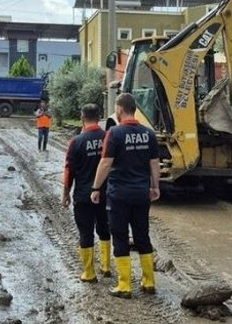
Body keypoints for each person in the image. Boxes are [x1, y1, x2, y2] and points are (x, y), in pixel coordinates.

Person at [90, 93, 160, 299]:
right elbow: (154, 163)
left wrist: (95, 188)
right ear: (135, 109)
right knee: (142, 235)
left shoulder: (114, 133)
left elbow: (105, 163)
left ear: (120, 109)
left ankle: (124, 285)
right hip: (141, 194)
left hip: (119, 194)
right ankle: (148, 282)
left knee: (120, 236)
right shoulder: (149, 134)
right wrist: (155, 186)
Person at [61, 104, 111, 283]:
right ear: (99, 117)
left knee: (85, 232)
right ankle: (106, 267)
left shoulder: (76, 142)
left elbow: (69, 171)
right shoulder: (107, 138)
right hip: (105, 194)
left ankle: (89, 273)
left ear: (82, 118)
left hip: (83, 196)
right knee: (105, 229)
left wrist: (66, 193)